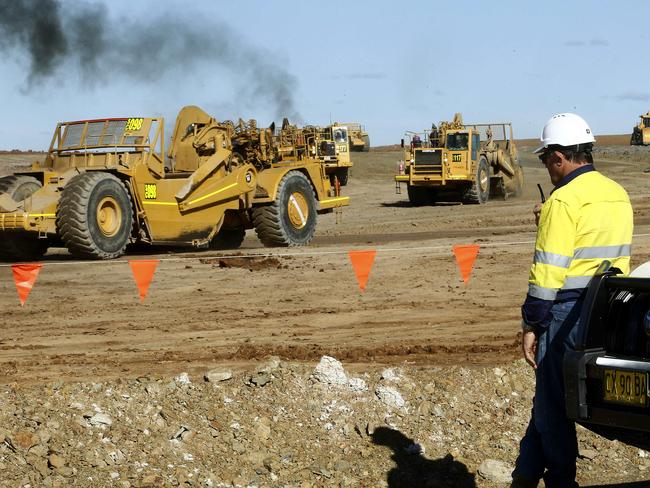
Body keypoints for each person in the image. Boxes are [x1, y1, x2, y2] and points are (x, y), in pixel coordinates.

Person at [511, 113, 633, 488]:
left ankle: (562, 481)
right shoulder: (617, 192)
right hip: (610, 309)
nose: (546, 165)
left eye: (547, 158)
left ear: (560, 157)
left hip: (566, 312)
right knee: (549, 399)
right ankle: (525, 476)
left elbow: (548, 272)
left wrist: (532, 324)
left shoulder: (562, 201)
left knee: (552, 407)